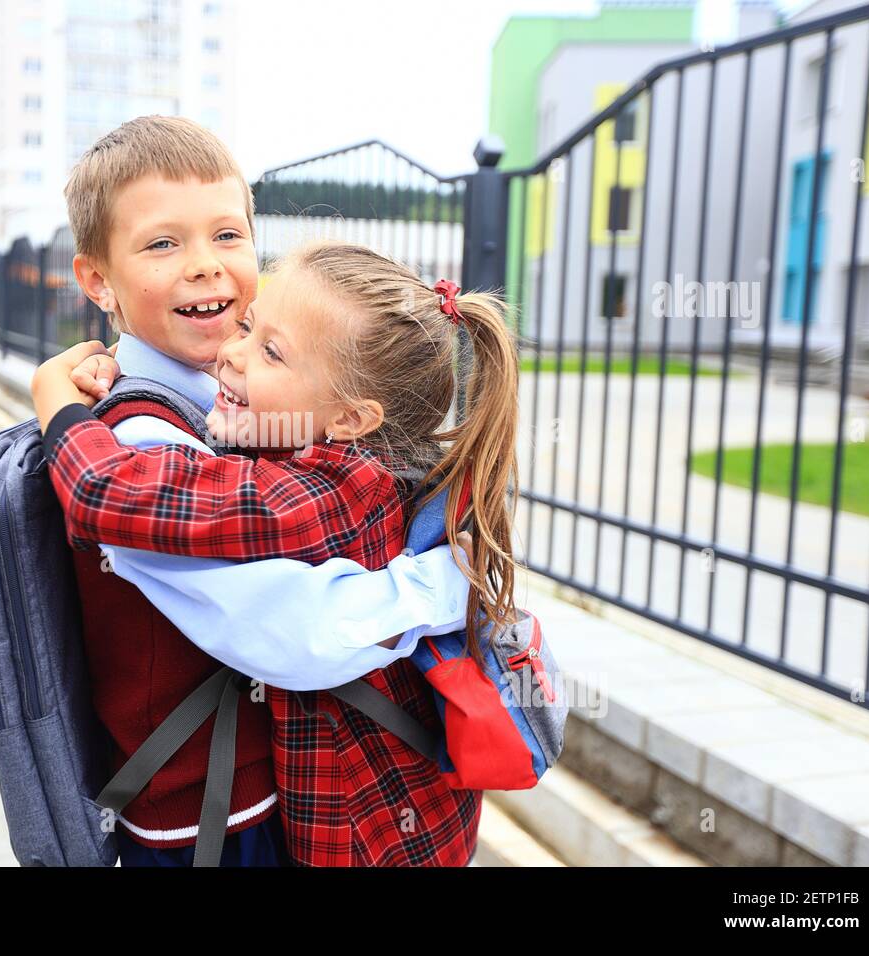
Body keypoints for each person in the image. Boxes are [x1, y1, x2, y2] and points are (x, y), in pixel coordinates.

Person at [33, 239, 522, 865]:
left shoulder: (322, 495)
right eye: (246, 326)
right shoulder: (355, 459)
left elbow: (109, 497)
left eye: (269, 350)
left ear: (349, 418)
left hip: (375, 839)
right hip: (418, 817)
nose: (229, 354)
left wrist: (58, 400)